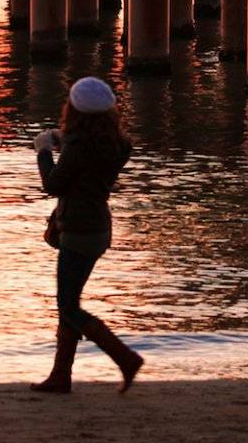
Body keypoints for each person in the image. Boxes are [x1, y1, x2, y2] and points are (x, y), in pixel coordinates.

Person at [30, 77, 143, 395]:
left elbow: (54, 184)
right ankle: (60, 376)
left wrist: (43, 152)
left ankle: (125, 358)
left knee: (68, 306)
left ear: (74, 109)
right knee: (70, 301)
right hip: (98, 228)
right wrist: (63, 139)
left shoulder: (78, 146)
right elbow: (87, 161)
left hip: (78, 231)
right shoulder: (118, 145)